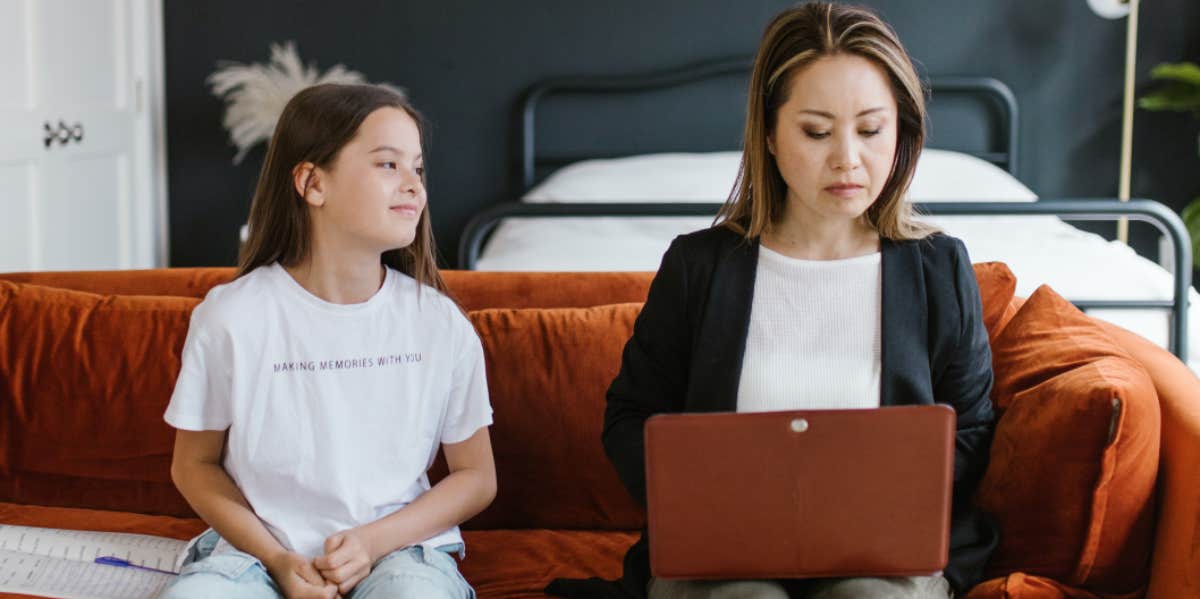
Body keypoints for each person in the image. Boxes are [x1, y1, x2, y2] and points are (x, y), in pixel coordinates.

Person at [557, 3, 1000, 598]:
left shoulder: (939, 268)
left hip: (882, 556)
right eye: (816, 132)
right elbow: (630, 417)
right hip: (724, 556)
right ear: (768, 133)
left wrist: (888, 508)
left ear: (903, 131)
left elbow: (970, 427)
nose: (848, 158)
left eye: (871, 130)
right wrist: (699, 510)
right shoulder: (699, 266)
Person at [160, 83, 495, 599]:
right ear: (313, 183)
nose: (413, 186)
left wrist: (371, 542)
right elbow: (193, 464)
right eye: (388, 165)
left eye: (418, 168)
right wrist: (276, 558)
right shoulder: (232, 316)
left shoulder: (439, 323)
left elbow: (476, 476)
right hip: (255, 556)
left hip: (400, 554)